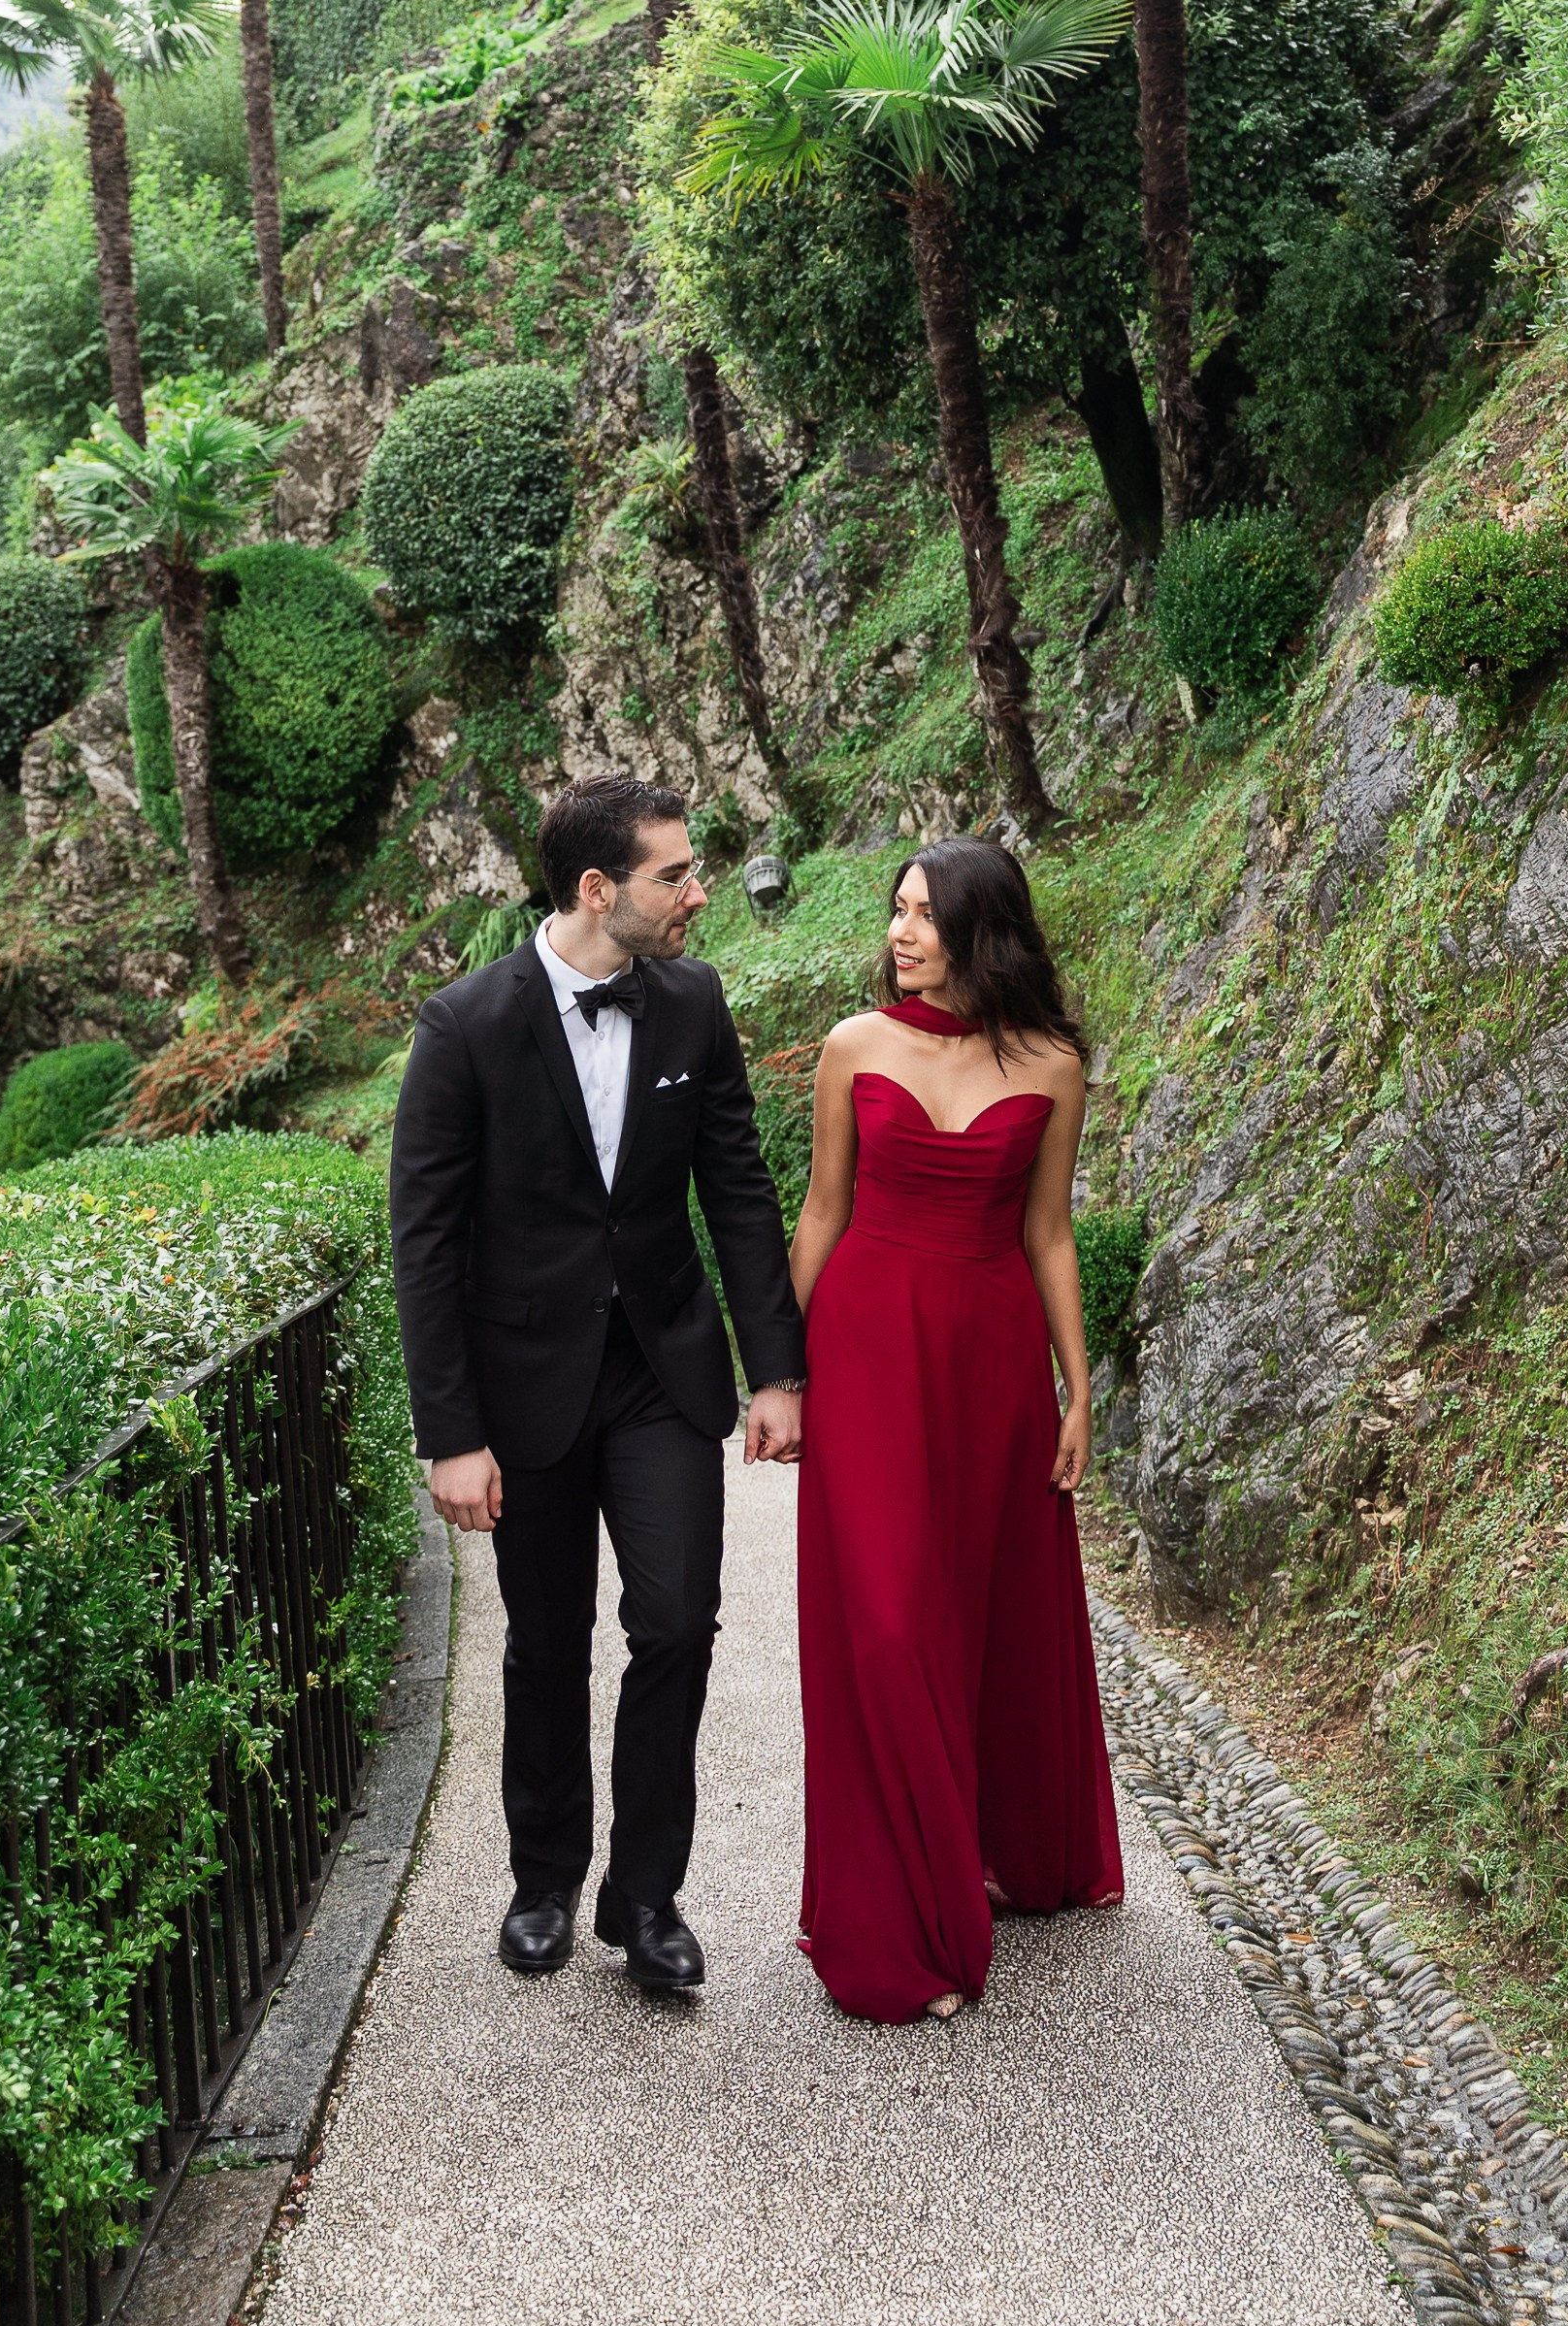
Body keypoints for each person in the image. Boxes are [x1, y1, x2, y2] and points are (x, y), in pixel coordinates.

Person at [389, 775, 806, 1992]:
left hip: (664, 1375)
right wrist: (449, 1432)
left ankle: (647, 1897)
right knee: (545, 1642)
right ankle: (543, 1878)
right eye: (674, 873)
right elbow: (424, 1239)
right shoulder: (462, 1025)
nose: (696, 891)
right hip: (524, 1391)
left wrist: (773, 1368)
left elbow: (737, 1189)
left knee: (676, 1624)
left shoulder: (692, 1002)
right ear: (596, 889)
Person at [789, 838, 1123, 2022]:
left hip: (989, 1362)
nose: (900, 931)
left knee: (985, 1605)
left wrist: (1077, 1388)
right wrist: (780, 1375)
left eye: (925, 915)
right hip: (868, 1350)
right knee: (885, 1626)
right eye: (895, 911)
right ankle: (903, 1926)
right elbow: (823, 1209)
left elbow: (1049, 1235)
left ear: (984, 929)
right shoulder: (853, 1047)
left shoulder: (1052, 1065)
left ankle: (1005, 1848)